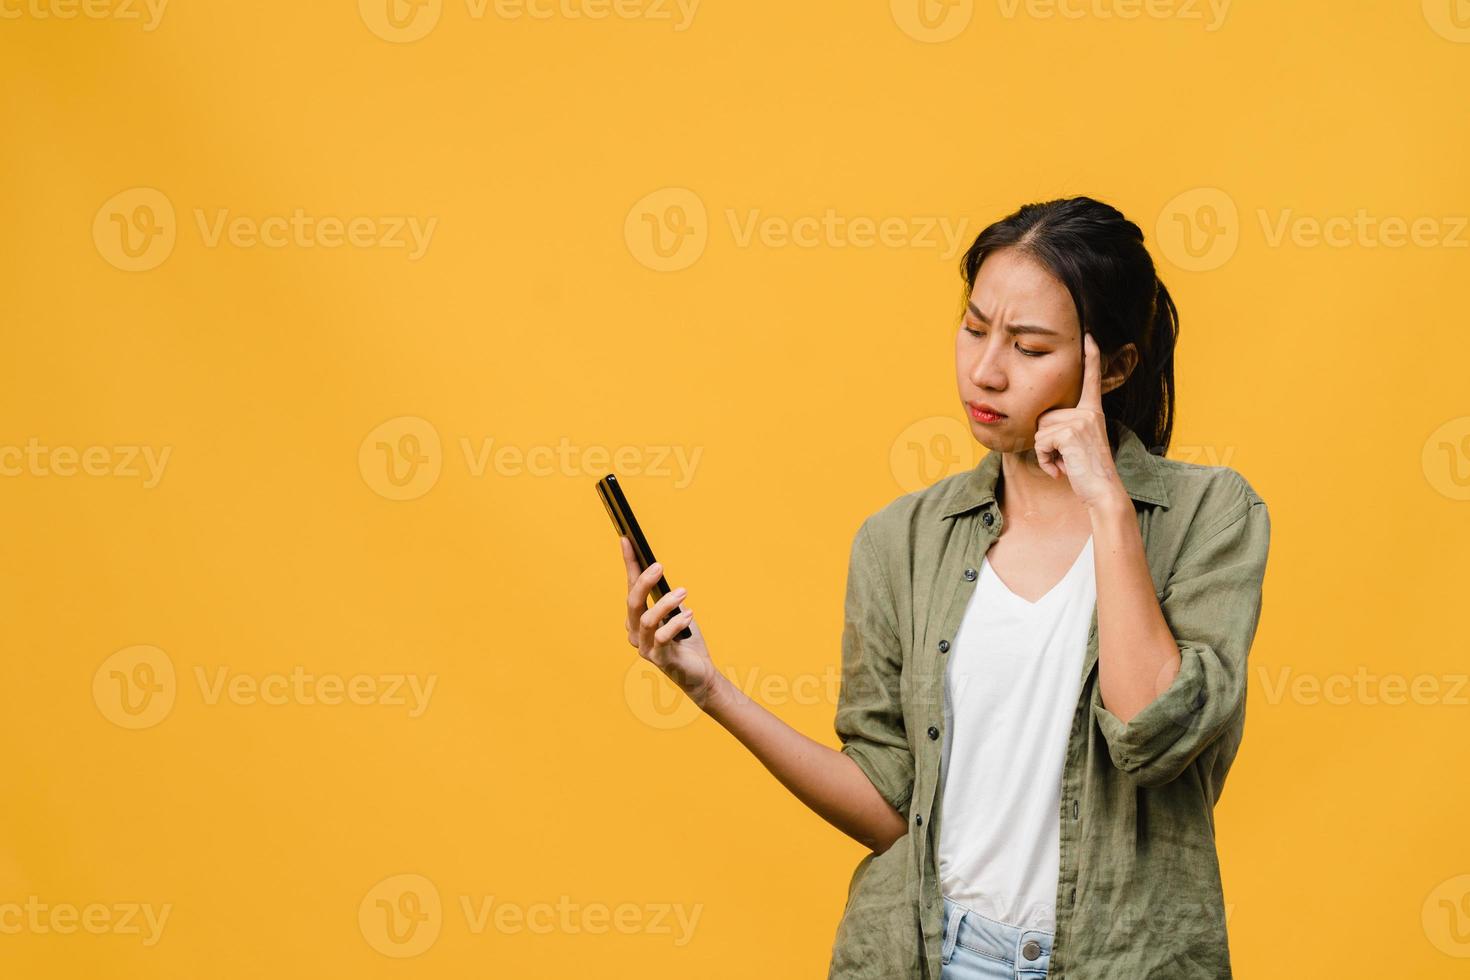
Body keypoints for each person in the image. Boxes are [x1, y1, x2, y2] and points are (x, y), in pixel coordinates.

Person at [615, 196, 1272, 979]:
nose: (986, 369)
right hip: (928, 957)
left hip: (1123, 959)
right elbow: (891, 810)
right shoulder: (901, 541)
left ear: (1116, 366)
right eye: (973, 328)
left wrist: (1107, 504)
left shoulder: (1208, 514)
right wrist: (711, 690)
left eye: (1029, 348)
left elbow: (1150, 733)